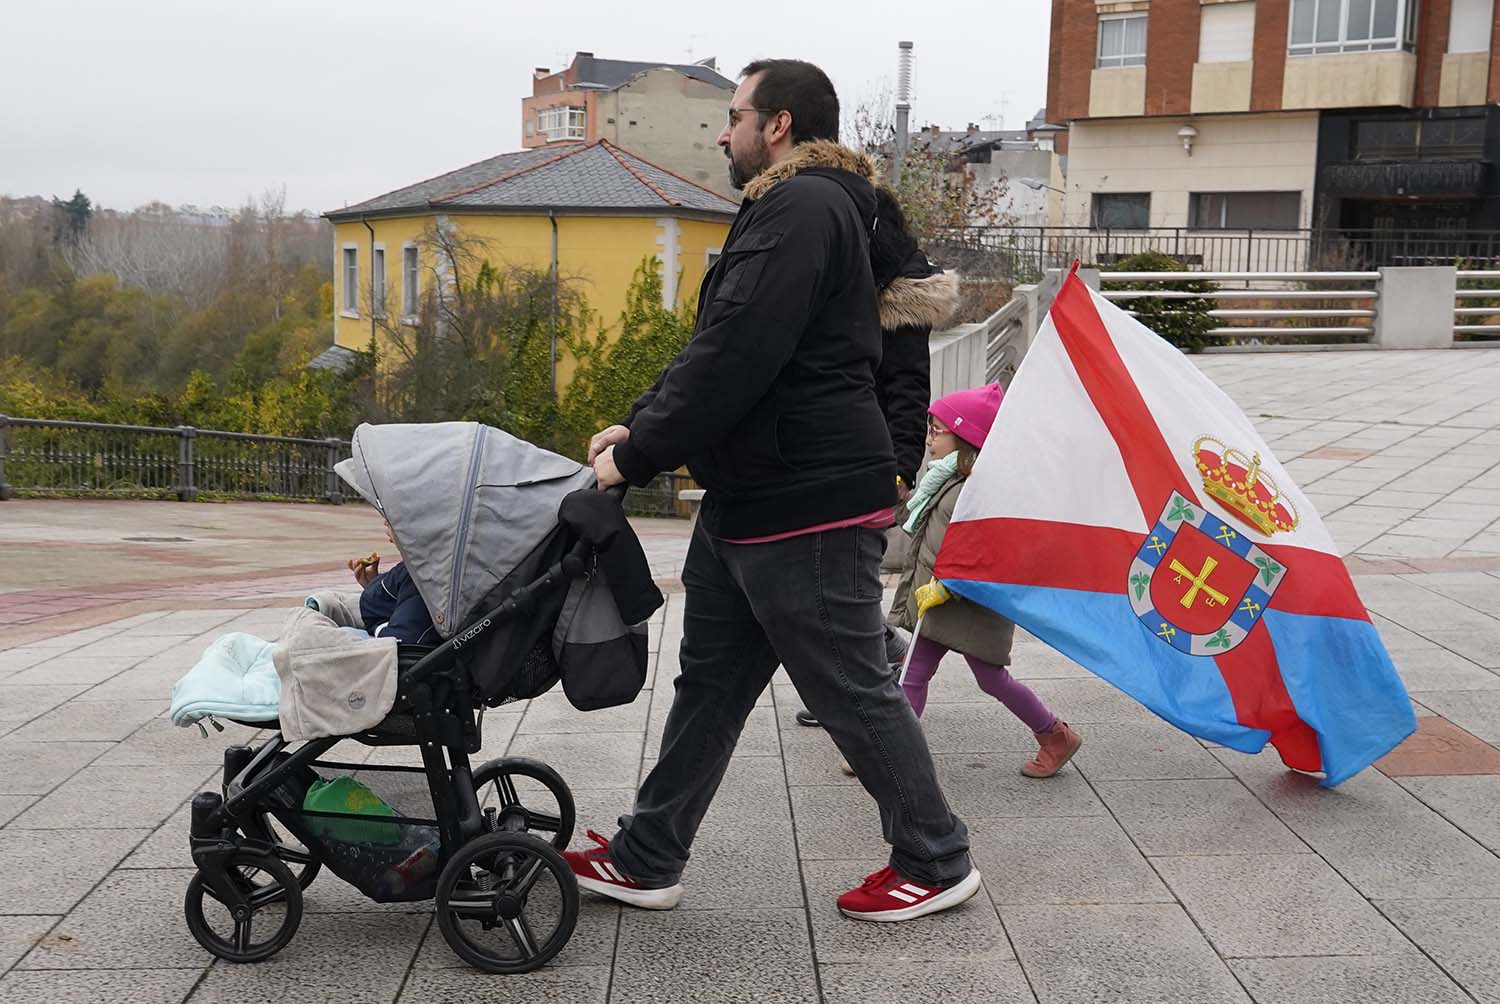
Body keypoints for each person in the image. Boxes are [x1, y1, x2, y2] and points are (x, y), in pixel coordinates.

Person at [582, 58, 979, 922]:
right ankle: (649, 854)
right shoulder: (806, 207)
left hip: (805, 499)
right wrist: (640, 422)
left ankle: (936, 858)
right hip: (751, 493)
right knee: (711, 684)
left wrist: (643, 453)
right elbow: (719, 341)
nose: (721, 133)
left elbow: (741, 351)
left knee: (847, 688)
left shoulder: (802, 207)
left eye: (733, 115)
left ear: (781, 125)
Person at [794, 184, 958, 730]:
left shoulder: (899, 297)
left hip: (866, 462)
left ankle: (867, 679)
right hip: (827, 455)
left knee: (844, 585)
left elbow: (909, 388)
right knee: (828, 586)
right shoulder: (846, 282)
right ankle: (872, 663)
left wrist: (896, 470)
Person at [891, 384, 1084, 778]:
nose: (929, 438)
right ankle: (891, 754)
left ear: (965, 436)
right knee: (914, 674)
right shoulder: (947, 478)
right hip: (941, 602)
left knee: (991, 678)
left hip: (968, 605)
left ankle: (1055, 735)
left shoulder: (977, 491)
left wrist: (947, 584)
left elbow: (988, 553)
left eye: (937, 430)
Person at [346, 519, 437, 645]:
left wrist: (378, 627)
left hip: (393, 645)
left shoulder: (420, 574)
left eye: (390, 519)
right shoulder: (423, 568)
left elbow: (404, 638)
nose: (385, 523)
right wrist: (373, 584)